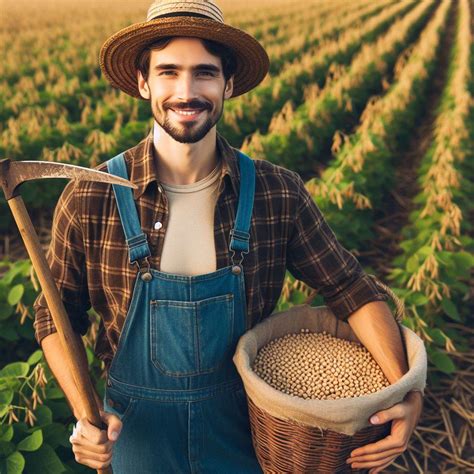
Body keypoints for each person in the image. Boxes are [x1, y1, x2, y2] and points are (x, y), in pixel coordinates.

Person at [33, 0, 424, 472]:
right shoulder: (90, 198)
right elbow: (56, 315)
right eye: (168, 72)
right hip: (136, 434)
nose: (186, 91)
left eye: (204, 73)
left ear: (228, 83)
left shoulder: (276, 192)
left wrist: (404, 390)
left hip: (252, 433)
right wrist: (84, 414)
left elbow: (351, 289)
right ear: (142, 82)